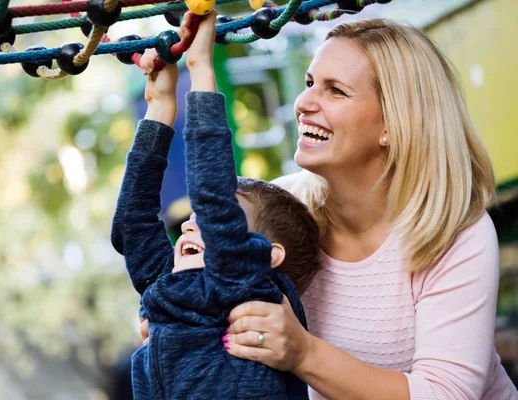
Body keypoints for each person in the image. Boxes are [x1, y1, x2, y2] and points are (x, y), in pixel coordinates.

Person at [140, 18, 518, 399]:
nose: (303, 104)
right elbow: (196, 284)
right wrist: (176, 325)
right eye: (309, 84)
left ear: (393, 123)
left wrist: (303, 353)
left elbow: (447, 394)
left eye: (335, 91)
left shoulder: (455, 234)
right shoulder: (277, 207)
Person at [110, 11, 321, 399]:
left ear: (266, 257)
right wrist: (159, 109)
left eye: (212, 219)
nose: (191, 224)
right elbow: (131, 224)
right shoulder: (175, 293)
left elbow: (212, 199)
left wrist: (200, 68)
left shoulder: (249, 290)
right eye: (195, 219)